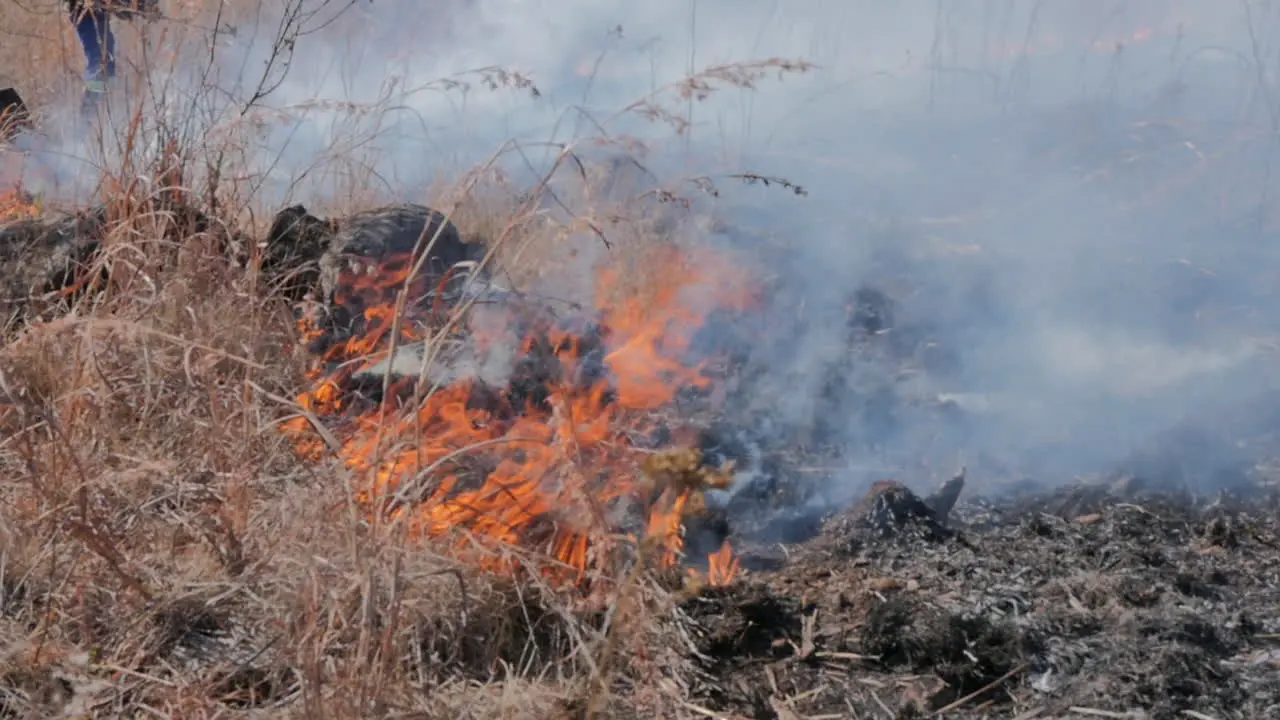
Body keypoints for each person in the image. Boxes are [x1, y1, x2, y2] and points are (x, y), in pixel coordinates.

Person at [66, 1, 157, 116]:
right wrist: (140, 8)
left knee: (106, 63)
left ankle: (97, 116)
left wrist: (142, 8)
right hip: (84, 12)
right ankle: (87, 118)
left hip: (94, 13)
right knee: (100, 65)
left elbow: (118, 7)